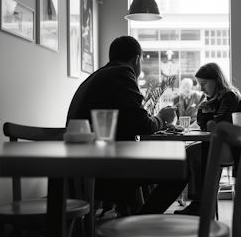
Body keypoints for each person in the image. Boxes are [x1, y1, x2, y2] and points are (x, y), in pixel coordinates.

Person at [66, 35, 177, 208]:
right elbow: (141, 124)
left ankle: (136, 217)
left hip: (81, 169)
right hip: (108, 170)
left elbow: (130, 119)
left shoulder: (94, 77)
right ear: (137, 59)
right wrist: (163, 119)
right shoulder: (123, 73)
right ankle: (142, 222)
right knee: (179, 171)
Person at [139, 62, 241, 216]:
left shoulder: (230, 95)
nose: (201, 88)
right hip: (225, 145)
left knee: (193, 153)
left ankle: (201, 204)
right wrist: (204, 109)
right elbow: (203, 123)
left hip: (237, 149)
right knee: (189, 152)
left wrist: (207, 113)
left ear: (217, 79)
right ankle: (200, 203)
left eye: (204, 83)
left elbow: (217, 124)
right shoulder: (214, 99)